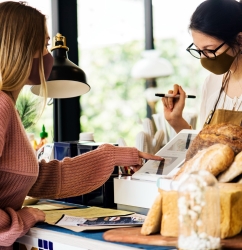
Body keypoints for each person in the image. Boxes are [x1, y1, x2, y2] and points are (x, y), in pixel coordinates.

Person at [0, 2, 163, 249]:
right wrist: (19, 221)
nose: (48, 55)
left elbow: (36, 179)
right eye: (44, 45)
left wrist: (110, 155)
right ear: (23, 48)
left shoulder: (7, 105)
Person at [161, 0, 242, 133]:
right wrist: (176, 120)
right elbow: (203, 147)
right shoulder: (212, 83)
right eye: (199, 50)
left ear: (239, 40)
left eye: (210, 50)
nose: (203, 58)